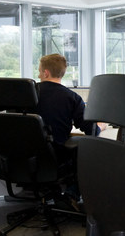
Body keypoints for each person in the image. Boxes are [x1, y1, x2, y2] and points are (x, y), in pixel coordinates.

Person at [35, 54, 100, 191]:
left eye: (40, 71)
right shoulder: (72, 98)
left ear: (46, 73)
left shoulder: (27, 95)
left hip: (25, 156)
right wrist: (100, 126)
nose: (39, 75)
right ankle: (72, 196)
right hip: (56, 155)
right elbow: (91, 130)